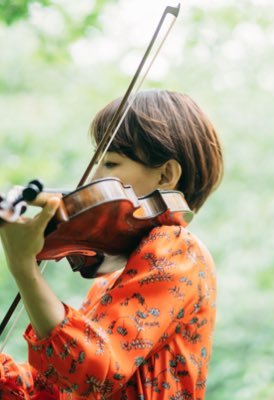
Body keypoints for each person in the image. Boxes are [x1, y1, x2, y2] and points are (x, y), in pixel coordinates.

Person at [0, 90, 223, 399]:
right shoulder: (110, 279)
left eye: (111, 163)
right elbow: (54, 388)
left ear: (166, 174)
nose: (93, 178)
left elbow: (93, 374)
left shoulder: (177, 249)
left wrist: (25, 269)